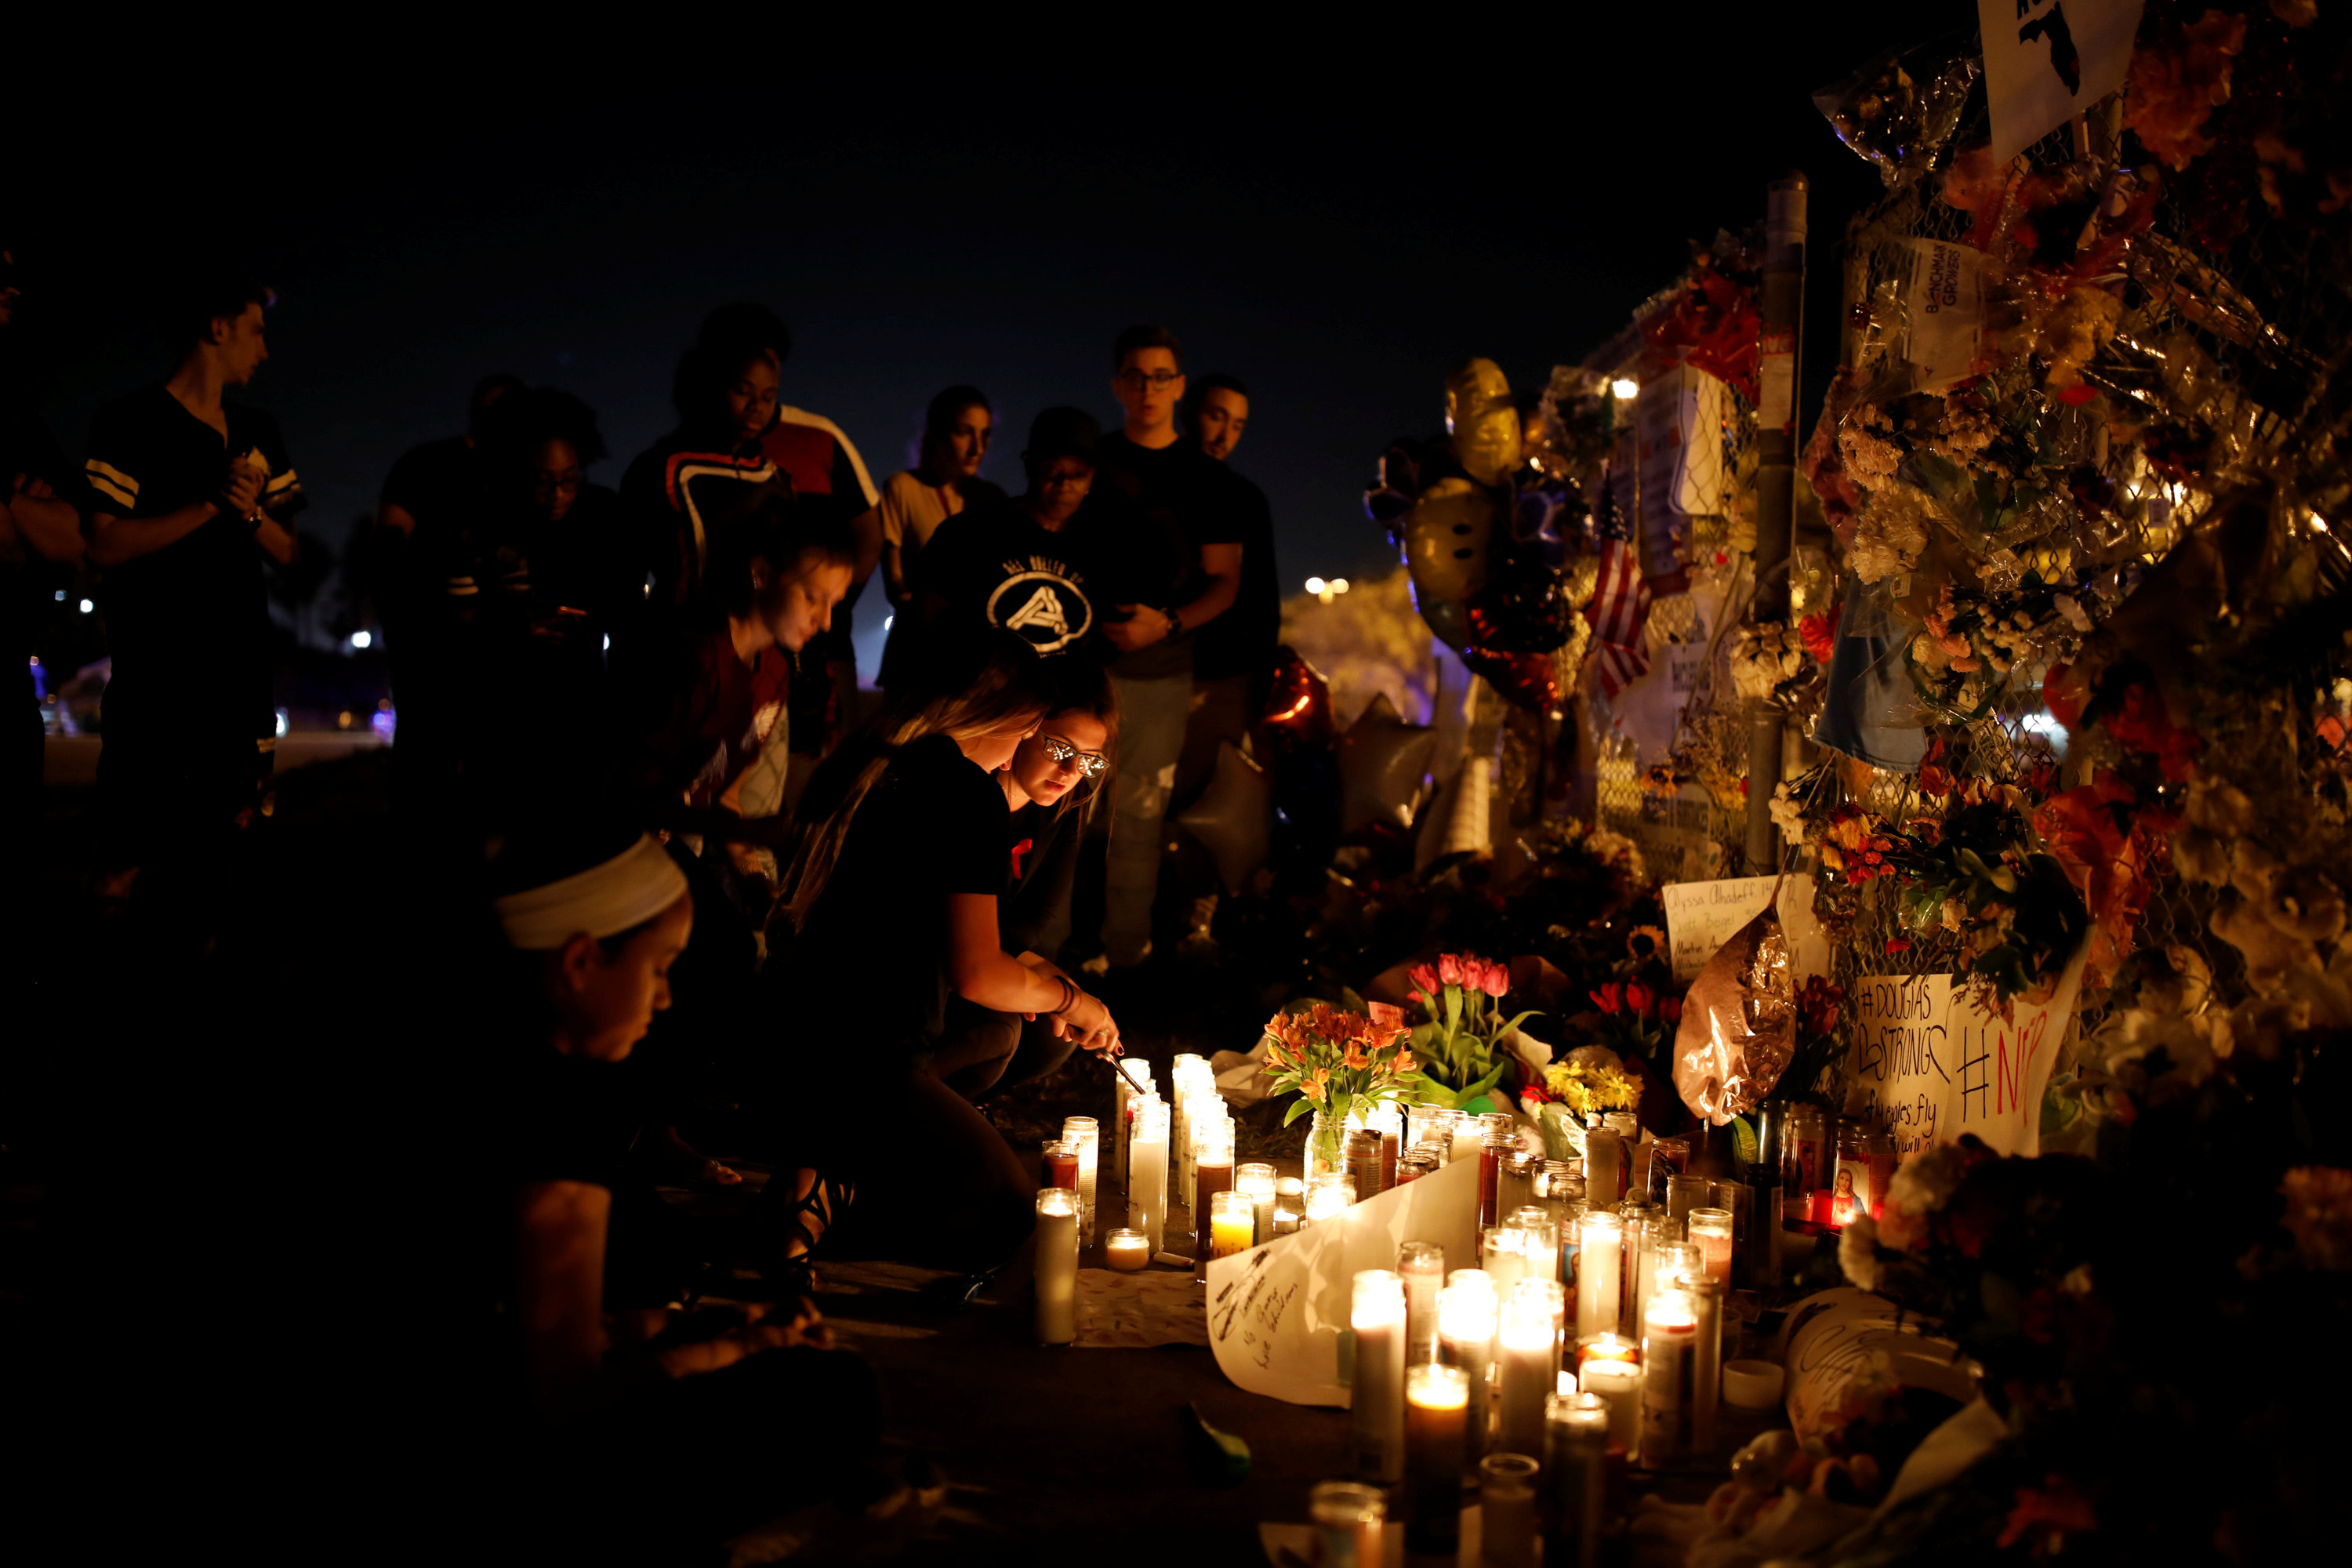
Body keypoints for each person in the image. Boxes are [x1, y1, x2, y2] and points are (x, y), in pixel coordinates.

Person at [479, 826, 883, 1561]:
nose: (666, 999)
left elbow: (565, 1324)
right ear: (580, 961)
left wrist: (718, 1331)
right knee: (832, 1398)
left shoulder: (508, 1060)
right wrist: (741, 1347)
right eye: (660, 966)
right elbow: (561, 1400)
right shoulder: (548, 1117)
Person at [772, 641, 1121, 1273]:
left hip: (805, 1035)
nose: (1064, 767)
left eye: (1088, 762)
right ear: (1012, 719)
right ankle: (826, 1195)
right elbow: (979, 970)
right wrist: (1073, 999)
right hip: (868, 1057)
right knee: (1009, 1220)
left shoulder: (887, 762)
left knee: (997, 1037)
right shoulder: (960, 792)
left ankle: (834, 1170)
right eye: (1041, 734)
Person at [82, 274, 303, 883]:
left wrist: (249, 511)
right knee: (135, 868)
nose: (265, 351)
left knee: (232, 865)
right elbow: (102, 542)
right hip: (153, 694)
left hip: (241, 691)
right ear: (217, 327)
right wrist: (208, 504)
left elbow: (290, 553)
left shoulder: (259, 432)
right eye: (256, 332)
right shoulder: (128, 421)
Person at [1085, 324, 1243, 969]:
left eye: (1160, 377)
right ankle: (1064, 948)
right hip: (1086, 670)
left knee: (1141, 816)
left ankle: (1126, 954)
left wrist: (1167, 624)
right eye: (1134, 376)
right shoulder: (1092, 462)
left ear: (1178, 385)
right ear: (1117, 384)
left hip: (1161, 670)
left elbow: (1226, 582)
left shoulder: (1208, 480)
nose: (1147, 388)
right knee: (1074, 808)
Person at [692, 304, 881, 760]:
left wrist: (817, 601)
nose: (756, 400)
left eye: (770, 367)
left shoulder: (817, 437)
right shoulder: (687, 455)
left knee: (794, 767)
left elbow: (868, 537)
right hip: (716, 648)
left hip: (797, 651)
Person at [931, 664, 1119, 1101]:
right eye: (1059, 748)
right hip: (938, 969)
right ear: (1023, 729)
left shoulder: (1060, 811)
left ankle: (952, 1103)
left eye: (1090, 760)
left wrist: (1063, 992)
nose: (1073, 770)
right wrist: (1062, 994)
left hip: (988, 963)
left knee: (1052, 1035)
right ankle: (895, 1105)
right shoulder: (971, 800)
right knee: (1005, 1026)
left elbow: (1028, 927)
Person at [373, 372, 524, 798]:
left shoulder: (524, 477)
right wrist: (405, 630)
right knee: (426, 775)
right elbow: (387, 547)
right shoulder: (426, 464)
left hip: (503, 658)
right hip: (432, 655)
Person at [911, 407, 1105, 666]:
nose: (1064, 485)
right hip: (979, 698)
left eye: (1078, 475)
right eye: (1052, 471)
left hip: (1061, 702)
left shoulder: (1102, 547)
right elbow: (928, 616)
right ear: (1029, 466)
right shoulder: (970, 533)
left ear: (1092, 479)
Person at [0, 245, 85, 829]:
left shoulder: (18, 421)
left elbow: (80, 537)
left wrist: (8, 511)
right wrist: (25, 511)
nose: (15, 290)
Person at [1175, 373, 1280, 809]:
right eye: (1216, 417)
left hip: (1221, 679)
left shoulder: (1244, 498)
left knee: (1202, 804)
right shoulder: (1159, 484)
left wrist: (1258, 683)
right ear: (1189, 412)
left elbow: (1261, 596)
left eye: (1237, 425)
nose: (1224, 434)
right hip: (1147, 666)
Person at [875, 386, 1004, 690]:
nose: (977, 448)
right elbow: (896, 585)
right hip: (917, 653)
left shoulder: (992, 499)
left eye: (985, 435)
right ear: (937, 432)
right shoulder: (903, 488)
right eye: (964, 432)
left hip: (976, 660)